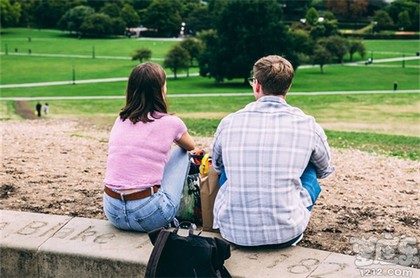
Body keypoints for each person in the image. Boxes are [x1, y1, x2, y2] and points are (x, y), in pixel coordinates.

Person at [211, 55, 335, 247]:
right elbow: (325, 169)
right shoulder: (308, 125)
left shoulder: (229, 122)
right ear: (288, 86)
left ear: (257, 85)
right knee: (311, 165)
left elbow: (217, 166)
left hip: (232, 232)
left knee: (229, 167)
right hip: (287, 234)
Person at [103, 62, 195, 232]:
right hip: (149, 215)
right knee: (183, 152)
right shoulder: (171, 122)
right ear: (161, 89)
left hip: (113, 211)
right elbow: (190, 146)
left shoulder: (121, 119)